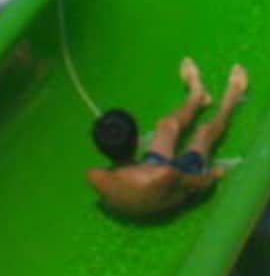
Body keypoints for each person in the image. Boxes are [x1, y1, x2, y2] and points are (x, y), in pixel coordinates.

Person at [88, 58, 249, 220]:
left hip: (150, 175)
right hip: (171, 186)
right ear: (137, 141)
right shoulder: (164, 174)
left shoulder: (95, 177)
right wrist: (214, 173)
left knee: (166, 125)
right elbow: (198, 182)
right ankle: (231, 100)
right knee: (204, 133)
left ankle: (197, 96)